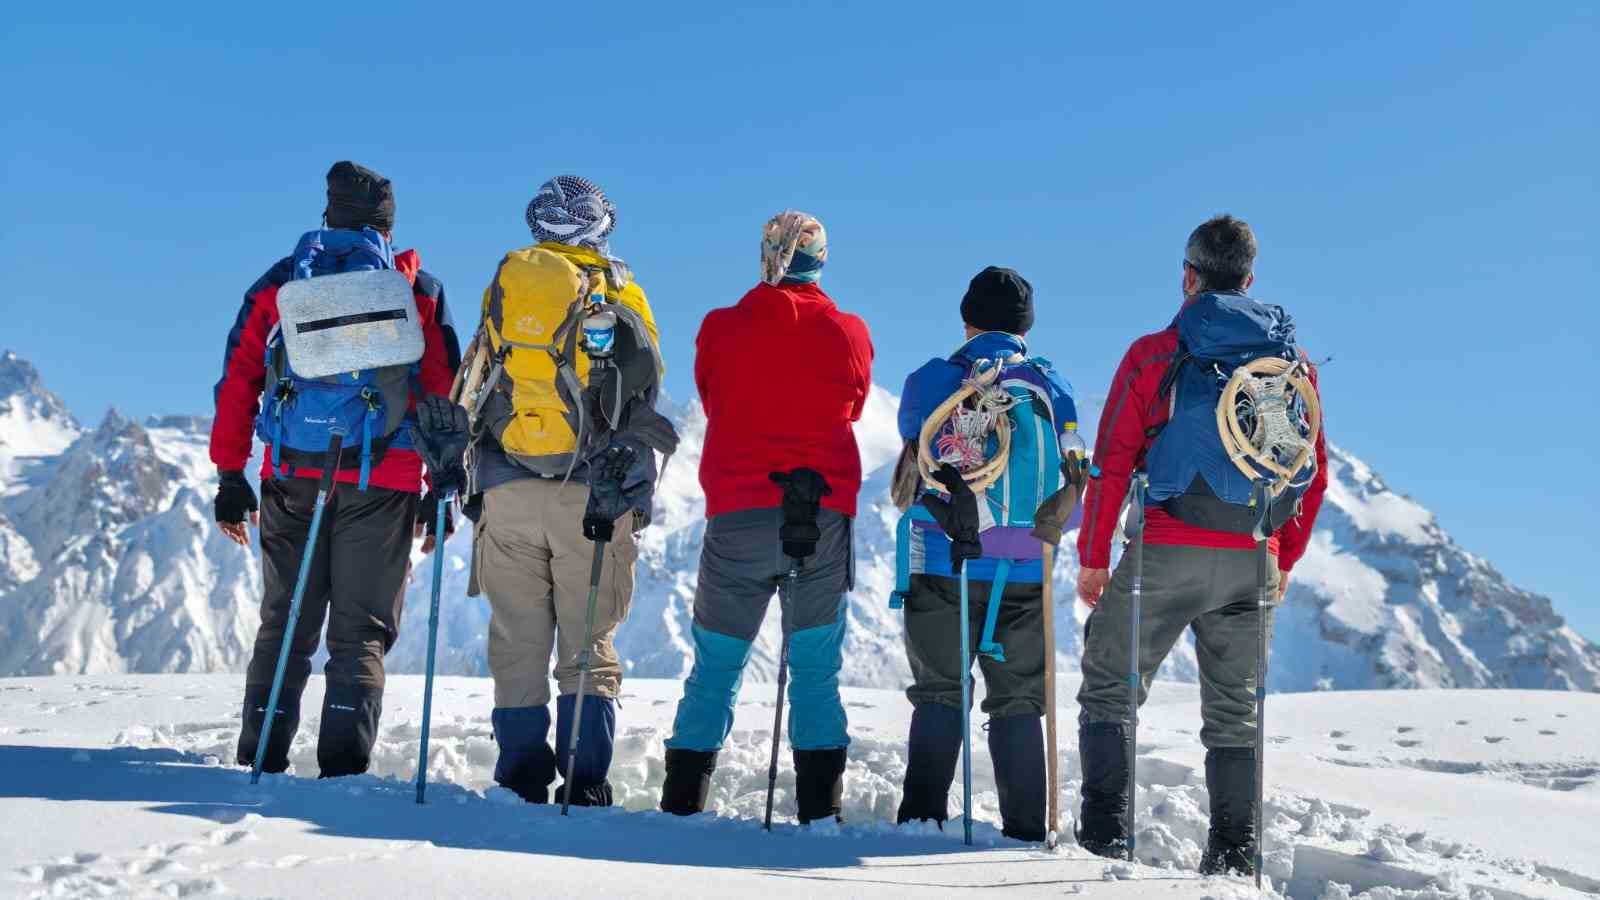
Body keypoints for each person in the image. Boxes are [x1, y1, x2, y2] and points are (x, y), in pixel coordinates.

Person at [1073, 215, 1328, 874]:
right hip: (1251, 555)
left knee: (1110, 687)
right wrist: (1283, 557)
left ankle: (1105, 841)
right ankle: (1235, 857)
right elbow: (1311, 466)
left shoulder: (1156, 353)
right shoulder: (1289, 364)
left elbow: (1110, 460)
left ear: (1188, 277)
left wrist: (1094, 557)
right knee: (1236, 713)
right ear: (1248, 281)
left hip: (1166, 546)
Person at [213, 160, 459, 777]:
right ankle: (343, 772)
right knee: (361, 633)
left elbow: (240, 376)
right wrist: (442, 485)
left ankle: (259, 758)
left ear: (328, 217)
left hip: (292, 474)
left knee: (285, 624)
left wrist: (229, 473)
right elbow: (441, 393)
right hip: (386, 480)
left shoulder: (280, 285)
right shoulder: (416, 290)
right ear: (386, 225)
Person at [463, 175, 672, 807]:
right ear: (600, 225)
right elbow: (645, 392)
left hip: (507, 489)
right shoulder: (621, 293)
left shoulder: (505, 288)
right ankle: (584, 783)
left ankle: (520, 781)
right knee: (587, 646)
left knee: (518, 641)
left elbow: (477, 378)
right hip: (593, 497)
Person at [659, 211, 873, 823]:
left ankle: (681, 809)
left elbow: (712, 394)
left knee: (717, 666)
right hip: (821, 518)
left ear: (766, 254)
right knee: (813, 671)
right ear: (821, 260)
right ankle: (819, 816)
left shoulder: (721, 328)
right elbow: (856, 405)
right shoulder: (848, 331)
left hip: (738, 514)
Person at [891, 267, 1078, 842]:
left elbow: (912, 438)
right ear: (1026, 327)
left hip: (945, 558)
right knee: (1019, 698)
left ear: (967, 320)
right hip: (1025, 566)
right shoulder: (1051, 385)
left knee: (941, 690)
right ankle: (1025, 830)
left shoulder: (935, 378)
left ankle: (921, 822)